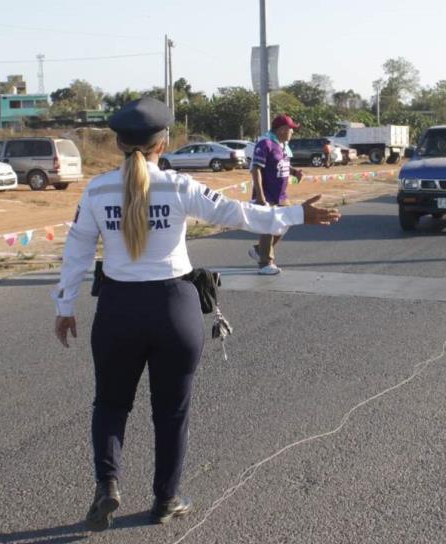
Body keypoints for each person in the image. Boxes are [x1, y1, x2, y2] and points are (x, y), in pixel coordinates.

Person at [51, 98, 340, 532]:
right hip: (174, 307)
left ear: (118, 143)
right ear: (162, 142)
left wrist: (64, 305)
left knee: (110, 404)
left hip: (118, 309)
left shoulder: (97, 190)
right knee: (171, 411)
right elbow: (240, 213)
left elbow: (76, 250)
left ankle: (107, 485)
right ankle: (166, 498)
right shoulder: (179, 186)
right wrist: (298, 213)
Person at [248, 114, 305, 275]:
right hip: (267, 195)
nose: (293, 132)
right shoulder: (265, 143)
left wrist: (294, 172)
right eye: (290, 129)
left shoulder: (281, 145)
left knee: (285, 223)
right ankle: (265, 264)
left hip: (281, 195)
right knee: (269, 226)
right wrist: (260, 197)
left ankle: (260, 250)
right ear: (281, 129)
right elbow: (256, 169)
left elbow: (282, 163)